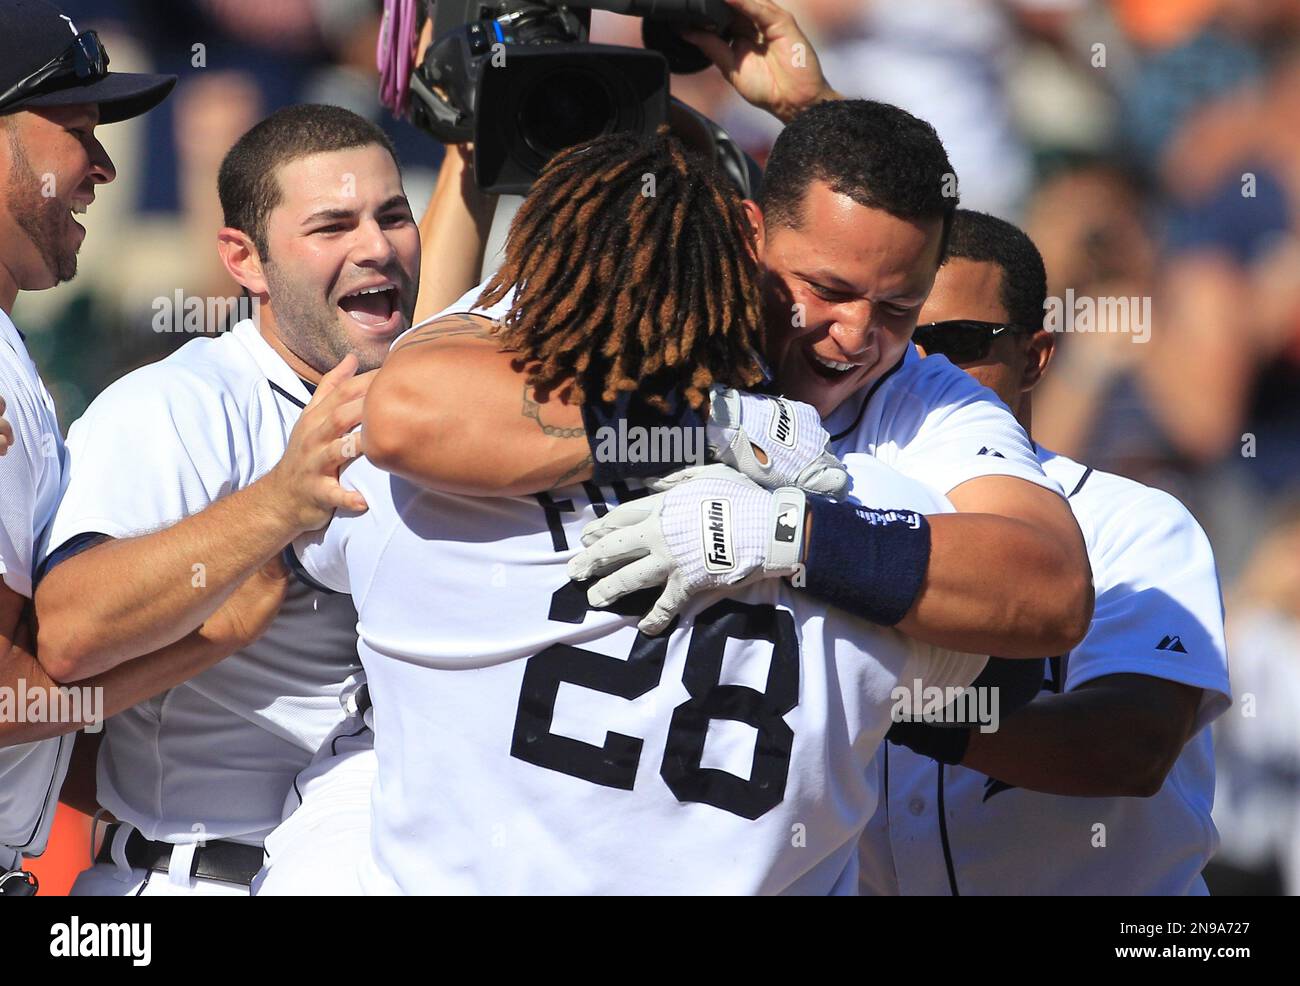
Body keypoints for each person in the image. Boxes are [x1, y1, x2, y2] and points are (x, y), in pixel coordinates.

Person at [289, 127, 993, 893]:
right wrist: (782, 518)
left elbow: (403, 409)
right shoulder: (877, 508)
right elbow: (1019, 630)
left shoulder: (409, 495)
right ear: (744, 284)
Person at [29, 103, 423, 896]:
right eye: (332, 226)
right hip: (197, 880)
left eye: (393, 216)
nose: (376, 247)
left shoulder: (429, 410)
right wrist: (279, 502)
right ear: (244, 261)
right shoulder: (177, 405)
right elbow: (66, 634)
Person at [856, 209, 1231, 895]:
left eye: (958, 341)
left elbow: (1131, 744)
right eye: (900, 339)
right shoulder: (828, 505)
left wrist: (909, 706)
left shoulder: (1133, 522)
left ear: (1034, 355)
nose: (922, 369)